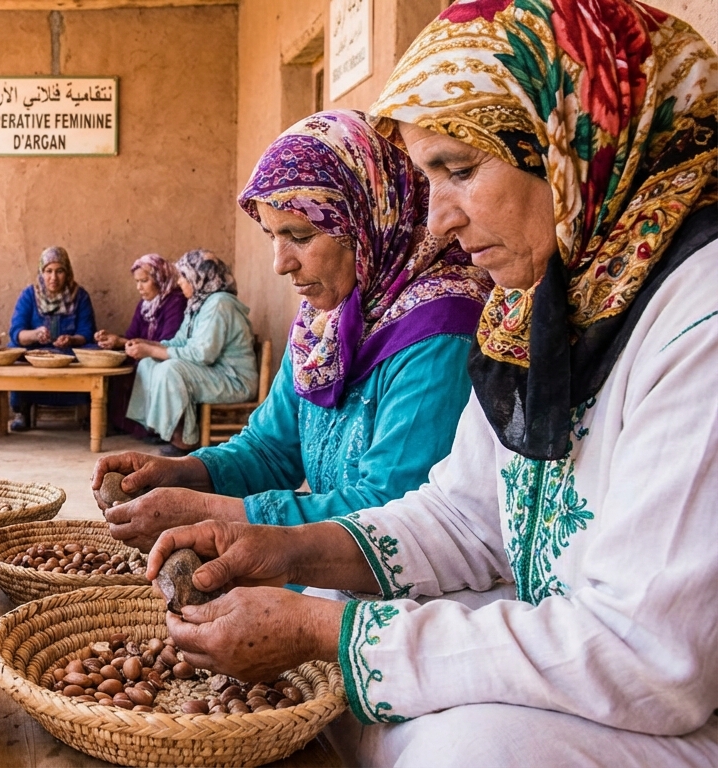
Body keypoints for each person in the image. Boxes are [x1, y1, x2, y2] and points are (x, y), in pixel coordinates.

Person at [146, 2, 718, 764]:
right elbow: (464, 515)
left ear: (573, 143)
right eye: (426, 178)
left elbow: (650, 656)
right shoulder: (538, 301)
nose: (438, 218)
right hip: (582, 645)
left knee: (457, 750)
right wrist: (284, 550)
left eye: (460, 170)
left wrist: (328, 633)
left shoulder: (699, 317)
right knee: (343, 620)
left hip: (666, 694)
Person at [93, 110, 490, 551]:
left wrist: (212, 512)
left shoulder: (441, 328)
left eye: (299, 236)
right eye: (271, 236)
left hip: (389, 585)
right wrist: (183, 473)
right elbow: (269, 449)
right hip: (319, 564)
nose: (280, 264)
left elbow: (391, 514)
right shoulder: (323, 322)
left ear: (369, 221)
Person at [125, 250, 257, 456]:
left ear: (199, 277)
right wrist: (148, 345)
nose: (179, 282)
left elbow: (203, 354)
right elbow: (180, 340)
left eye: (183, 277)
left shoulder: (220, 304)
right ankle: (160, 428)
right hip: (214, 373)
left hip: (233, 379)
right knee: (148, 362)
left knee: (171, 370)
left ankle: (184, 441)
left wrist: (152, 349)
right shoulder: (199, 304)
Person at [94, 253, 188, 440]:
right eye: (137, 282)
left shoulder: (175, 302)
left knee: (142, 369)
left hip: (163, 357)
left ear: (160, 278)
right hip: (144, 353)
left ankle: (153, 429)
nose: (139, 287)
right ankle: (124, 425)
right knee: (117, 370)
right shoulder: (144, 305)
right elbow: (131, 335)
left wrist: (125, 343)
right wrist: (114, 340)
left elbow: (167, 342)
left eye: (144, 281)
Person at [6, 246, 97, 431]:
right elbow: (16, 332)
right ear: (41, 272)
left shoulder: (80, 296)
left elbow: (87, 332)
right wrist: (35, 334)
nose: (53, 277)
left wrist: (72, 339)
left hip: (68, 355)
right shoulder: (29, 295)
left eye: (59, 271)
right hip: (35, 356)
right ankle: (21, 410)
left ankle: (88, 411)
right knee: (13, 348)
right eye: (48, 271)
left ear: (67, 272)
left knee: (96, 351)